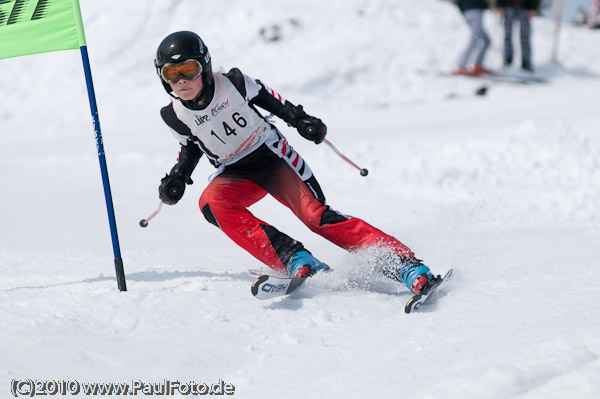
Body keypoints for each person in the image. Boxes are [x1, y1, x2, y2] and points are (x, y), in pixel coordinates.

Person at [153, 31, 436, 294]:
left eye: (188, 70)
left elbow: (273, 101)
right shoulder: (174, 115)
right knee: (211, 204)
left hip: (272, 158)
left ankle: (404, 264)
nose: (181, 82)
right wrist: (178, 177)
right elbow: (190, 148)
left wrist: (302, 122)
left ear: (204, 66)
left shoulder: (234, 82)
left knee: (316, 217)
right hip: (236, 172)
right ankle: (294, 258)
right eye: (171, 74)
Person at [496, 0, 540, 72]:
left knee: (525, 37)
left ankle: (526, 62)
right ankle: (507, 60)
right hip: (509, 7)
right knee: (507, 35)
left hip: (525, 8)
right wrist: (500, 5)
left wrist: (533, 7)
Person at [453, 0, 494, 76]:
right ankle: (461, 66)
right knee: (475, 39)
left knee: (486, 40)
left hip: (471, 10)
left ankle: (477, 65)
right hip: (474, 10)